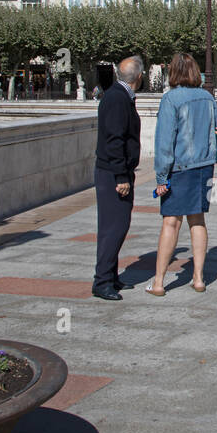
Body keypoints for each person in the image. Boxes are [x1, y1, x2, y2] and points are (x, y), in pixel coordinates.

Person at [151, 53, 217, 296]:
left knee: (171, 222)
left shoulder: (171, 99)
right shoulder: (207, 97)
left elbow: (164, 142)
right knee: (198, 220)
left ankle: (159, 282)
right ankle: (199, 278)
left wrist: (161, 177)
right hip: (204, 167)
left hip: (180, 168)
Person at [92, 55, 144, 300]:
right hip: (113, 174)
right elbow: (115, 140)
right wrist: (121, 176)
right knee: (115, 226)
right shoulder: (117, 98)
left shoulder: (118, 96)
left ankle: (110, 276)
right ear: (139, 76)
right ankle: (102, 281)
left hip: (114, 171)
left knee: (114, 226)